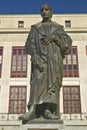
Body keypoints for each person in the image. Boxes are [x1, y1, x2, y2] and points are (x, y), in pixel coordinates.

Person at [19, 4, 72, 122]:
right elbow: (29, 45)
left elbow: (67, 44)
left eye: (46, 9)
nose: (44, 11)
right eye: (42, 10)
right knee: (36, 84)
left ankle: (48, 111)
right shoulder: (35, 28)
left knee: (52, 85)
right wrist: (35, 56)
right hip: (40, 61)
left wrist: (55, 38)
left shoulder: (58, 28)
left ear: (51, 12)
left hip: (54, 62)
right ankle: (32, 110)